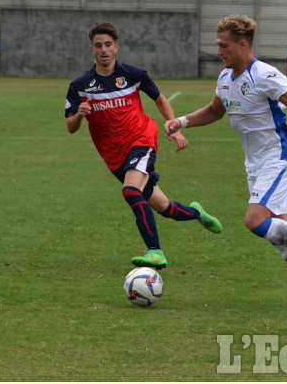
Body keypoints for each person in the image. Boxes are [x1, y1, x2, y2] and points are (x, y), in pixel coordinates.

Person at [165, 15, 287, 310]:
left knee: (254, 220)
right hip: (255, 164)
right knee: (285, 246)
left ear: (242, 44)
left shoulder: (263, 74)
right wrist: (182, 122)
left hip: (279, 156)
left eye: (223, 46)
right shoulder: (225, 77)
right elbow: (215, 111)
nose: (219, 51)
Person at [65, 21, 222, 270]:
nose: (103, 49)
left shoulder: (133, 74)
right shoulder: (80, 85)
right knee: (163, 207)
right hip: (114, 155)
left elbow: (159, 99)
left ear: (116, 47)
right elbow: (70, 126)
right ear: (92, 49)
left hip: (141, 139)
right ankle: (197, 213)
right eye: (98, 45)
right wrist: (80, 115)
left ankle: (155, 252)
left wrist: (174, 125)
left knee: (130, 191)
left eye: (108, 44)